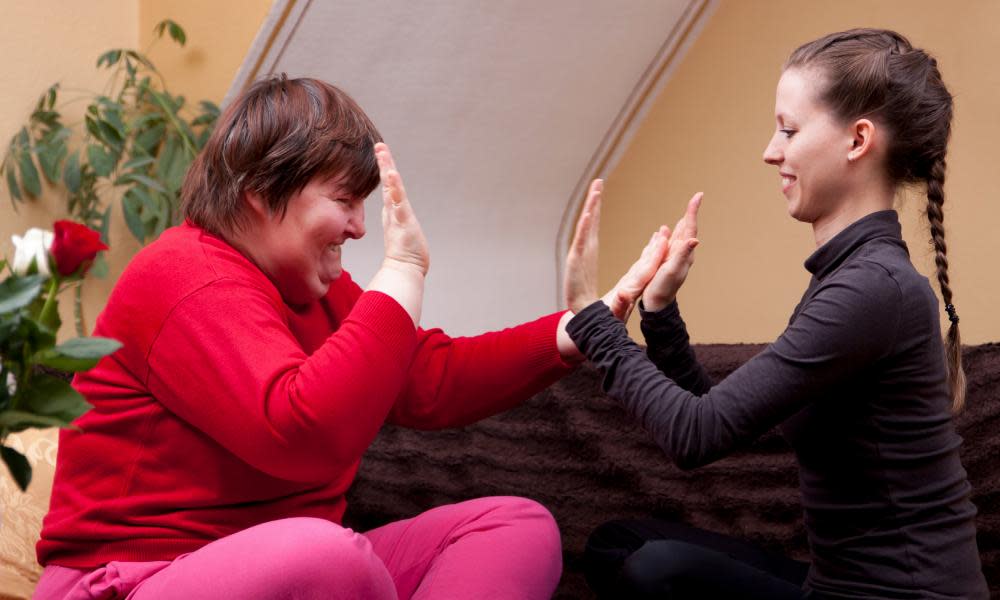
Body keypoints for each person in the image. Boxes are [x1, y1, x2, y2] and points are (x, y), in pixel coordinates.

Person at [32, 75, 583, 600]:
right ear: (259, 190)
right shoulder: (183, 273)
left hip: (299, 570)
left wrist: (574, 330)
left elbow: (426, 377)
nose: (361, 226)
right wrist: (403, 270)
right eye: (344, 201)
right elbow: (297, 432)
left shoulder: (319, 290)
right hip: (132, 580)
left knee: (512, 527)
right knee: (327, 556)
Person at [563, 29, 988, 599]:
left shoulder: (874, 289)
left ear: (858, 139)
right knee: (622, 544)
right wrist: (660, 311)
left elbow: (695, 434)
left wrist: (592, 318)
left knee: (653, 570)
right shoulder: (851, 275)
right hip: (833, 585)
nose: (771, 150)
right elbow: (724, 419)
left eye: (789, 129)